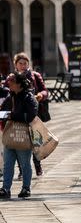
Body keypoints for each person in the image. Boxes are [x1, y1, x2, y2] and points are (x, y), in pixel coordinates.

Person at [0, 71, 38, 199]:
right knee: (7, 164)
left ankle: (26, 188)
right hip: (10, 135)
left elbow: (31, 115)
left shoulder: (28, 97)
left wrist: (13, 115)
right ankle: (5, 189)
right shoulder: (10, 97)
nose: (9, 83)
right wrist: (4, 115)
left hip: (23, 136)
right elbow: (3, 110)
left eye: (12, 81)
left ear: (20, 84)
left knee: (25, 164)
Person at [10, 52, 48, 177]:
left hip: (34, 114)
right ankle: (22, 170)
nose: (23, 66)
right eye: (20, 63)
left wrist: (41, 95)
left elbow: (44, 90)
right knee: (21, 142)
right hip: (19, 115)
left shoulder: (35, 75)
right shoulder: (12, 78)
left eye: (25, 63)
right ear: (16, 65)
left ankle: (38, 167)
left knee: (36, 141)